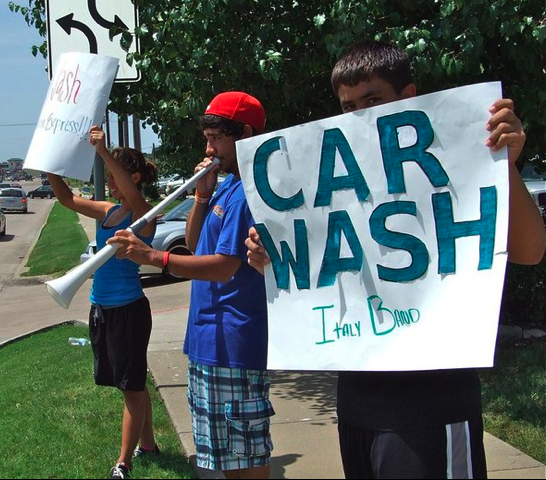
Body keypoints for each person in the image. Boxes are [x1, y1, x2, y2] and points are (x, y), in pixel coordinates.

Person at [245, 40, 546, 479]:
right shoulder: (336, 187)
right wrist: (276, 259)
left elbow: (530, 250)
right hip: (357, 405)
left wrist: (507, 164)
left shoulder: (455, 161)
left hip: (434, 405)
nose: (359, 116)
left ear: (408, 98)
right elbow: (323, 261)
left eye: (373, 100)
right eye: (348, 106)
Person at [106, 92, 274, 479]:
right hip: (206, 341)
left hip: (234, 344)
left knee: (244, 461)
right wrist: (201, 195)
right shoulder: (227, 186)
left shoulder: (250, 188)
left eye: (216, 138)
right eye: (207, 138)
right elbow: (196, 244)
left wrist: (151, 256)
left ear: (245, 134)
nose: (208, 147)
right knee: (222, 460)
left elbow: (223, 267)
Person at [47, 126, 160, 480]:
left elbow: (133, 197)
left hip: (129, 308)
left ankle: (123, 463)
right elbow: (67, 199)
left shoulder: (144, 214)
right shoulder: (109, 211)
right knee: (131, 383)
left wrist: (104, 151)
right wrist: (50, 165)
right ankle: (149, 443)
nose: (110, 182)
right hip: (102, 308)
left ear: (134, 176)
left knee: (131, 386)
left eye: (114, 176)